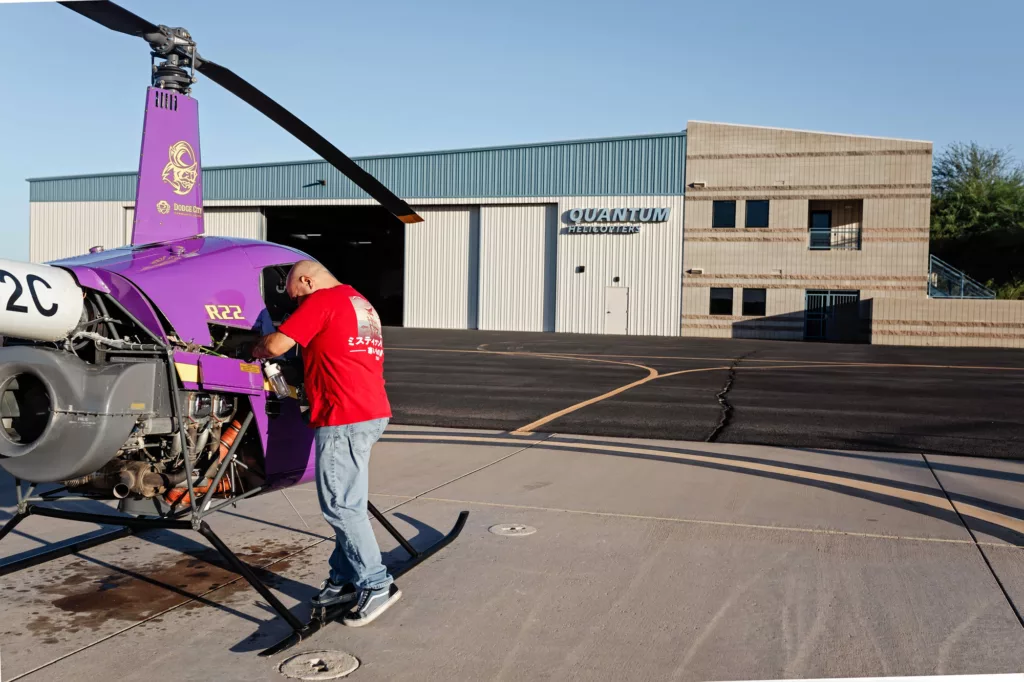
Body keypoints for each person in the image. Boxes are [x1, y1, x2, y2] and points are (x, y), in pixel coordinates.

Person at [252, 260, 398, 627]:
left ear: (306, 281)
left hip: (342, 415)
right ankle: (344, 578)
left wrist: (254, 348)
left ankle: (376, 583)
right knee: (348, 503)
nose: (296, 305)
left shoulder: (322, 301)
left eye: (295, 296)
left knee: (341, 507)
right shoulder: (359, 302)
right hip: (370, 410)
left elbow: (276, 345)